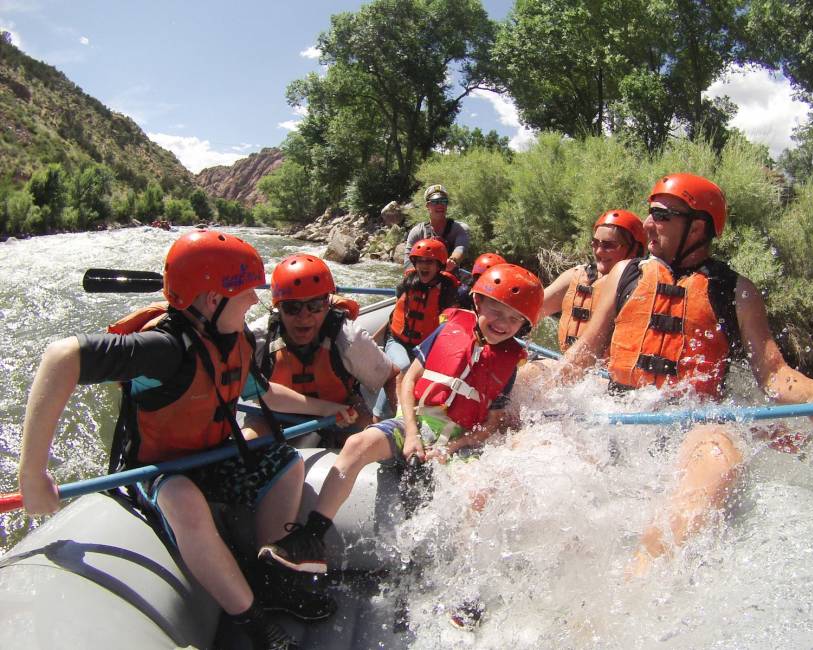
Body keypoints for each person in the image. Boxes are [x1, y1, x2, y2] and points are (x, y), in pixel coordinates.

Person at [16, 231, 357, 649]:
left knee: (286, 462)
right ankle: (253, 621)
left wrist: (324, 408)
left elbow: (262, 392)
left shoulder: (236, 340)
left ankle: (268, 576)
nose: (256, 301)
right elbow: (61, 356)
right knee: (182, 497)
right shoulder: (163, 350)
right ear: (213, 301)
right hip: (156, 471)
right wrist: (32, 475)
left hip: (209, 457)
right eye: (247, 291)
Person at [550, 173, 813, 575]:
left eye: (661, 216)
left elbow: (775, 376)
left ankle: (646, 570)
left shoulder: (738, 293)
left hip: (690, 422)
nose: (647, 224)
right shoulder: (624, 274)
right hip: (618, 414)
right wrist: (523, 389)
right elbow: (577, 361)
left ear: (696, 226)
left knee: (719, 451)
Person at [280, 264, 544, 579]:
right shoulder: (448, 329)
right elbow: (407, 381)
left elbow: (490, 424)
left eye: (514, 319)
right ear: (478, 303)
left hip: (455, 441)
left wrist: (453, 448)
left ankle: (465, 580)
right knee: (356, 443)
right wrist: (413, 432)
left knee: (478, 493)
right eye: (496, 312)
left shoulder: (510, 363)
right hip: (413, 423)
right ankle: (311, 537)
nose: (503, 324)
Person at [246, 253, 399, 445]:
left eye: (315, 305)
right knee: (248, 442)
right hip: (275, 416)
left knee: (368, 441)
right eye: (292, 307)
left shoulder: (347, 337)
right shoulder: (259, 337)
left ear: (327, 305)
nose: (304, 316)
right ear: (277, 307)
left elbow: (391, 375)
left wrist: (394, 418)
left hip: (342, 413)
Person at [372, 238, 459, 420]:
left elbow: (451, 325)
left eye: (429, 261)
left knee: (421, 374)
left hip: (425, 348)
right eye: (420, 261)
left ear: (439, 265)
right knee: (403, 366)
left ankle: (406, 417)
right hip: (396, 341)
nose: (423, 266)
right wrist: (375, 337)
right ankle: (387, 417)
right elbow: (395, 313)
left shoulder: (447, 292)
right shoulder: (408, 283)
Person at [544, 210, 646, 352]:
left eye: (609, 245)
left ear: (635, 249)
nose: (598, 251)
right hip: (570, 364)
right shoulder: (577, 276)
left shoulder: (642, 289)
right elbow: (532, 308)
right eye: (595, 243)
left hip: (604, 373)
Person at [404, 184, 470, 273]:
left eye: (444, 201)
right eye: (435, 201)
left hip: (449, 277)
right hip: (423, 276)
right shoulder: (417, 231)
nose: (440, 205)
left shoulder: (460, 229)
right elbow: (408, 260)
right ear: (427, 205)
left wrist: (453, 260)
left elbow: (461, 248)